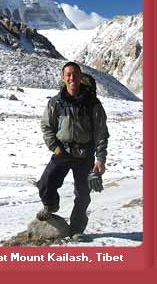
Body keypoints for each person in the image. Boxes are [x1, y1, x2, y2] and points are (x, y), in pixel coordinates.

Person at [36, 61, 109, 239]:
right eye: (68, 74)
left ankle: (76, 230)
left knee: (83, 195)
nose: (71, 78)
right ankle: (51, 205)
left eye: (75, 74)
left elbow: (101, 133)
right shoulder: (56, 102)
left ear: (80, 77)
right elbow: (46, 126)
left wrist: (100, 159)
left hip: (85, 155)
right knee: (45, 184)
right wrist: (54, 146)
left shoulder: (93, 103)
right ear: (63, 78)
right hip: (63, 152)